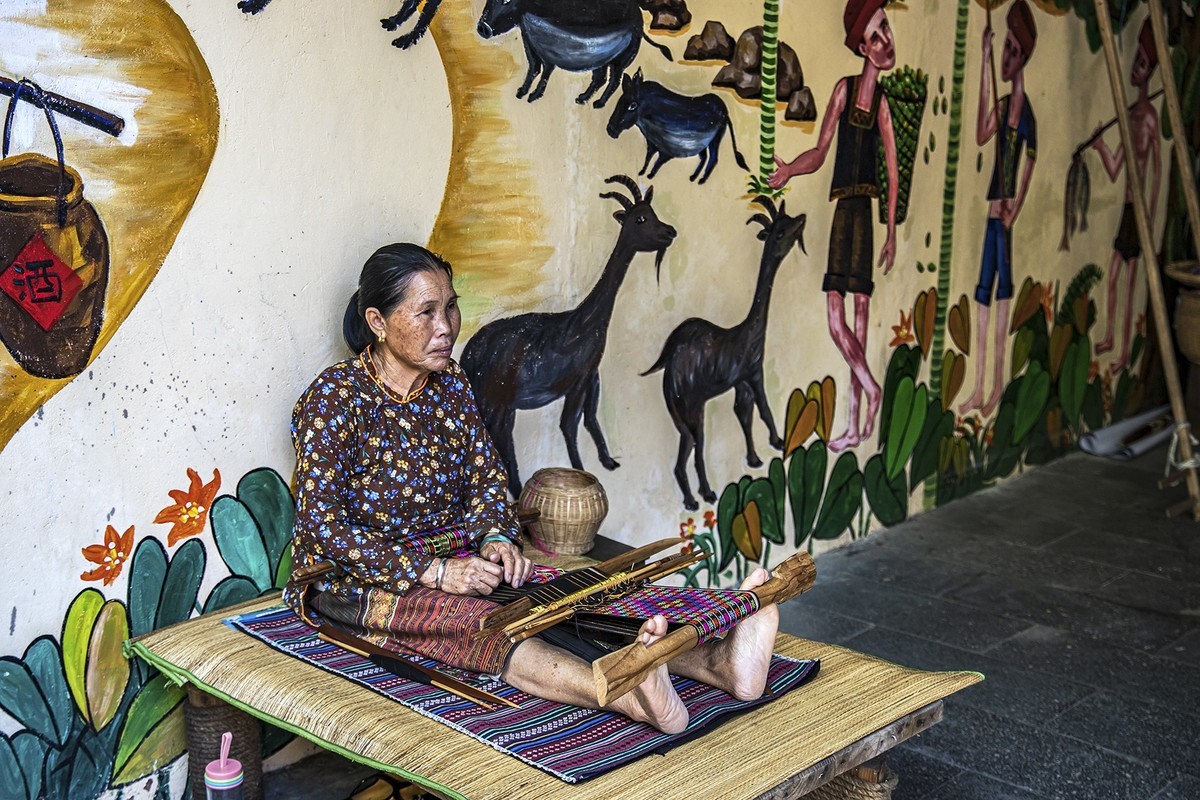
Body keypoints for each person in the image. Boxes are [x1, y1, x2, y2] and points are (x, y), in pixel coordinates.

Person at [284, 243, 781, 734]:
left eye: (451, 307)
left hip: (457, 558)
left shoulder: (450, 383)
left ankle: (720, 661)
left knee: (560, 598)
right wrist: (433, 573)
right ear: (377, 321)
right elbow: (320, 526)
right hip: (354, 581)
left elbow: (484, 476)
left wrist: (496, 539)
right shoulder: (336, 397)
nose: (446, 327)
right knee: (476, 622)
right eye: (426, 312)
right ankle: (624, 692)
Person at [767, 0, 899, 453]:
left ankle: (857, 423)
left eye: (888, 31)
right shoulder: (844, 91)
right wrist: (790, 172)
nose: (887, 43)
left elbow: (892, 174)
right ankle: (870, 385)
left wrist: (893, 233)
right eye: (878, 35)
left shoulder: (882, 105)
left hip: (864, 214)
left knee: (860, 320)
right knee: (836, 317)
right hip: (844, 212)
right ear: (863, 45)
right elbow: (821, 151)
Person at [961, 0, 1037, 416]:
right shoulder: (1007, 105)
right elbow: (980, 132)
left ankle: (997, 387)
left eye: (1011, 51)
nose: (1007, 58)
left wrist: (1017, 208)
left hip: (1002, 221)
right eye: (1005, 50)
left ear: (1023, 56)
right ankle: (979, 387)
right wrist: (985, 59)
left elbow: (1028, 164)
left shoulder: (1023, 112)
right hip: (992, 217)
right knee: (983, 303)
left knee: (1002, 303)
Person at [1092, 18, 1161, 373]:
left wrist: (1149, 216)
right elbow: (1118, 167)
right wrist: (1101, 145)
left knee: (1129, 277)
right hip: (1127, 207)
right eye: (1136, 60)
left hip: (1139, 214)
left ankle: (1121, 353)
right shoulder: (1131, 114)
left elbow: (1157, 172)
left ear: (1151, 72)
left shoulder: (1148, 117)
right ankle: (1110, 338)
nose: (1136, 68)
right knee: (1116, 273)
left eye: (1143, 64)